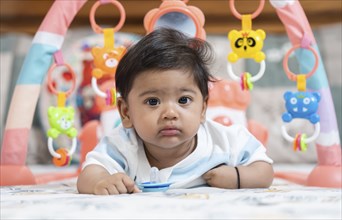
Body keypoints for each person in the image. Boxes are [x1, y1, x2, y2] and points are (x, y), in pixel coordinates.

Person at [77, 28, 273, 195]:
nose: (170, 113)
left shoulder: (224, 141)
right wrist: (101, 181)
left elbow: (264, 170)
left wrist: (238, 177)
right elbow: (89, 173)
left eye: (183, 100)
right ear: (126, 112)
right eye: (153, 101)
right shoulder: (122, 145)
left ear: (203, 108)